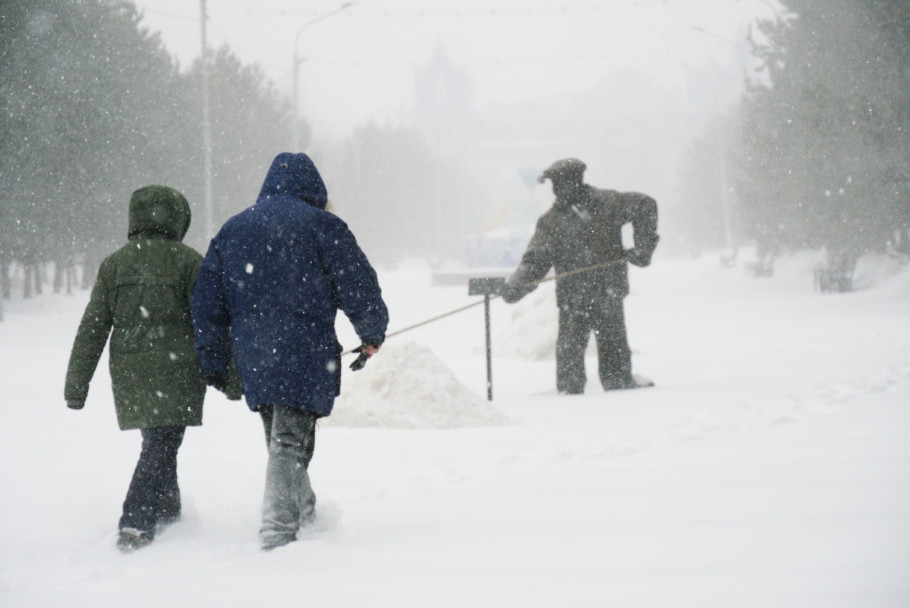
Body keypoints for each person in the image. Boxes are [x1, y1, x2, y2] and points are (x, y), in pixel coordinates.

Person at [191, 152, 389, 551]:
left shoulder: (235, 228)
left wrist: (213, 356)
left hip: (254, 353)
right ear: (314, 189)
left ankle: (306, 512)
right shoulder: (323, 226)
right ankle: (278, 532)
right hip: (303, 349)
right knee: (289, 442)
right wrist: (371, 331)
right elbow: (357, 281)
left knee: (282, 439)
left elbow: (206, 300)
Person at [64, 185, 226, 552]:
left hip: (131, 372)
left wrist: (77, 384)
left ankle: (170, 513)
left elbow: (92, 327)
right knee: (162, 443)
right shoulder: (189, 261)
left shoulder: (114, 264)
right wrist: (230, 374)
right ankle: (135, 522)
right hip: (178, 370)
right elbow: (210, 322)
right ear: (178, 218)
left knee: (159, 440)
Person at [500, 158, 659, 394]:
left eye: (558, 183)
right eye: (553, 184)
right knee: (570, 354)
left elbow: (646, 205)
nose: (554, 190)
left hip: (606, 292)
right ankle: (571, 393)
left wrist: (643, 249)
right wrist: (516, 287)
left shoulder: (609, 203)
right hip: (575, 297)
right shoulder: (551, 221)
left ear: (574, 181)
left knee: (612, 348)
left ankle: (617, 385)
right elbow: (536, 262)